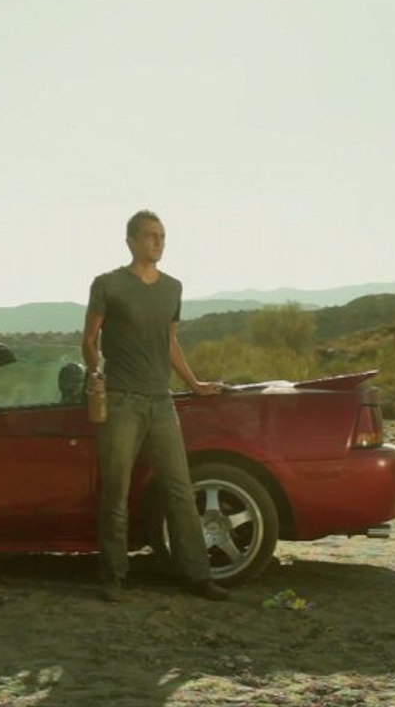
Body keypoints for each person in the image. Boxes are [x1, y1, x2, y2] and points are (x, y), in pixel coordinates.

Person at [81, 209, 231, 603]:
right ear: (131, 240)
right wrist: (95, 372)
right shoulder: (108, 285)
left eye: (162, 236)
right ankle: (113, 576)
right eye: (151, 235)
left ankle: (198, 576)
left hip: (161, 402)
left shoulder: (172, 288)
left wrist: (194, 384)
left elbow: (170, 342)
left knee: (180, 490)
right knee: (116, 491)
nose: (158, 242)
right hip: (121, 401)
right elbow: (90, 338)